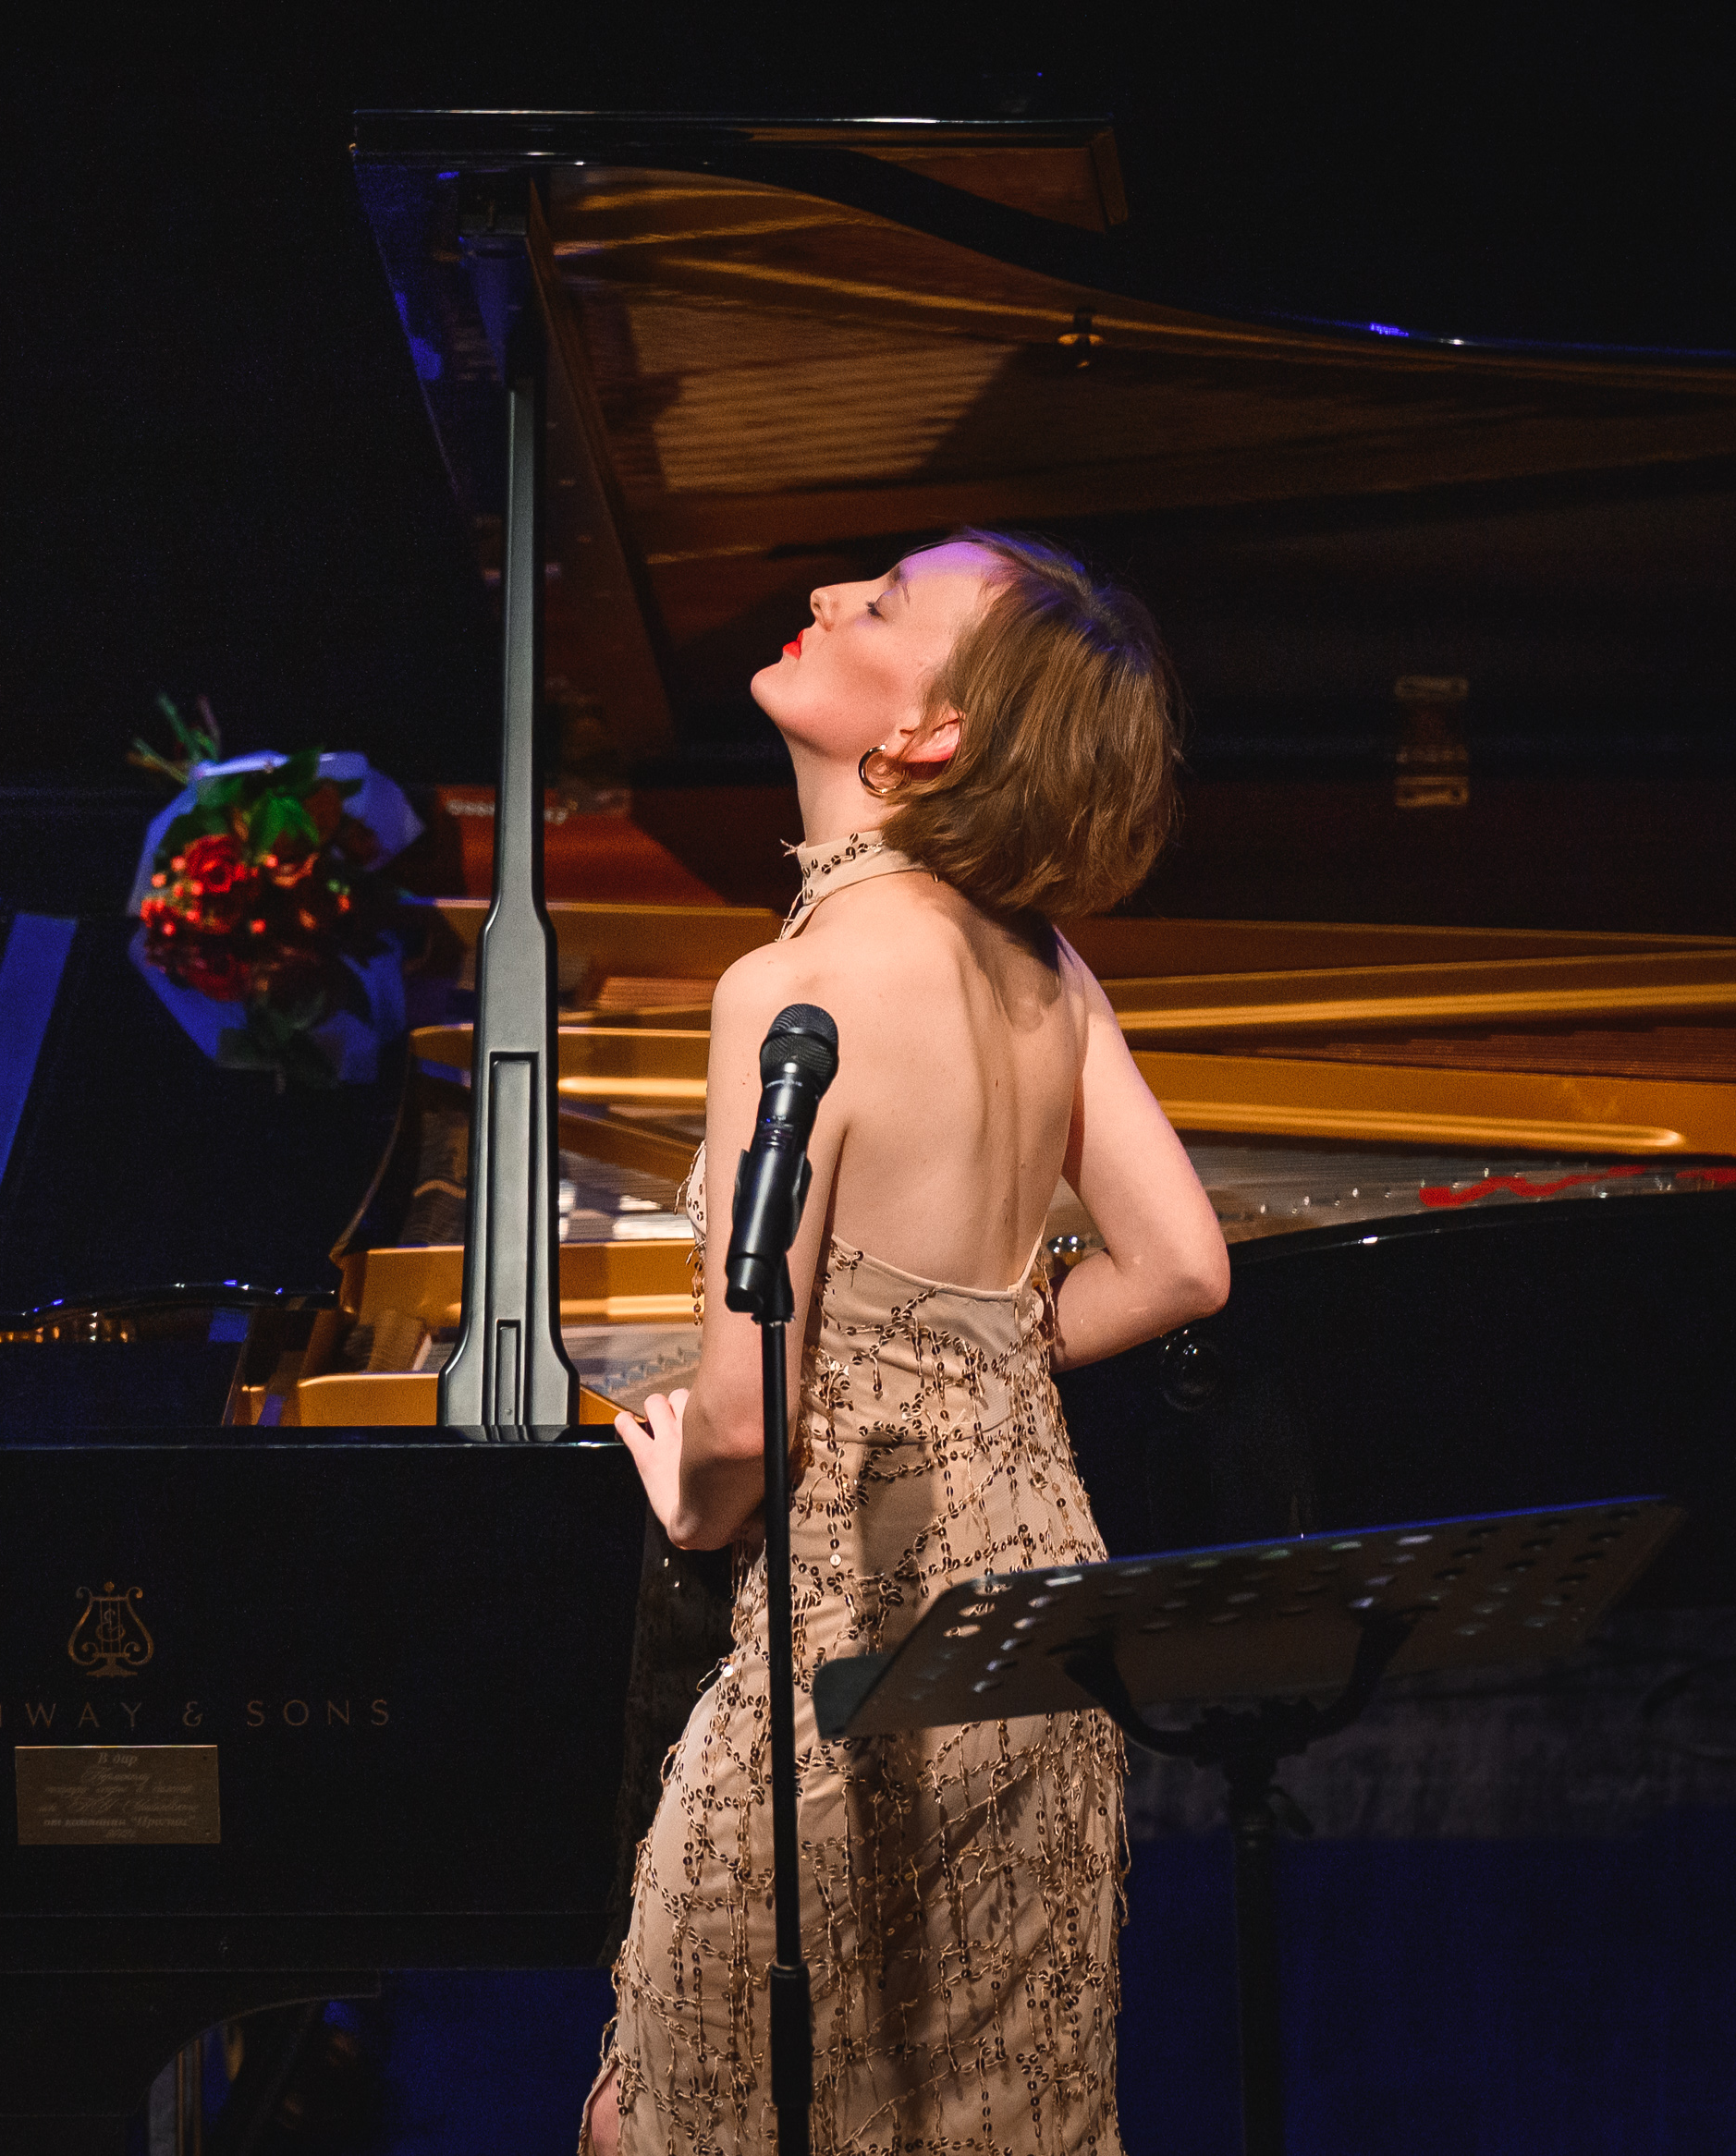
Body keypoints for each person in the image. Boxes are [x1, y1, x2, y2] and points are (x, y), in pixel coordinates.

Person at [590, 530, 1231, 2154]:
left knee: (686, 2120)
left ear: (930, 733)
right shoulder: (1043, 963)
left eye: (875, 604)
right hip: (1036, 1646)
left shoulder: (791, 984)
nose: (821, 598)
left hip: (850, 1649)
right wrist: (970, 1365)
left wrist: (692, 1492)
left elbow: (744, 1422)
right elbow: (1183, 1266)